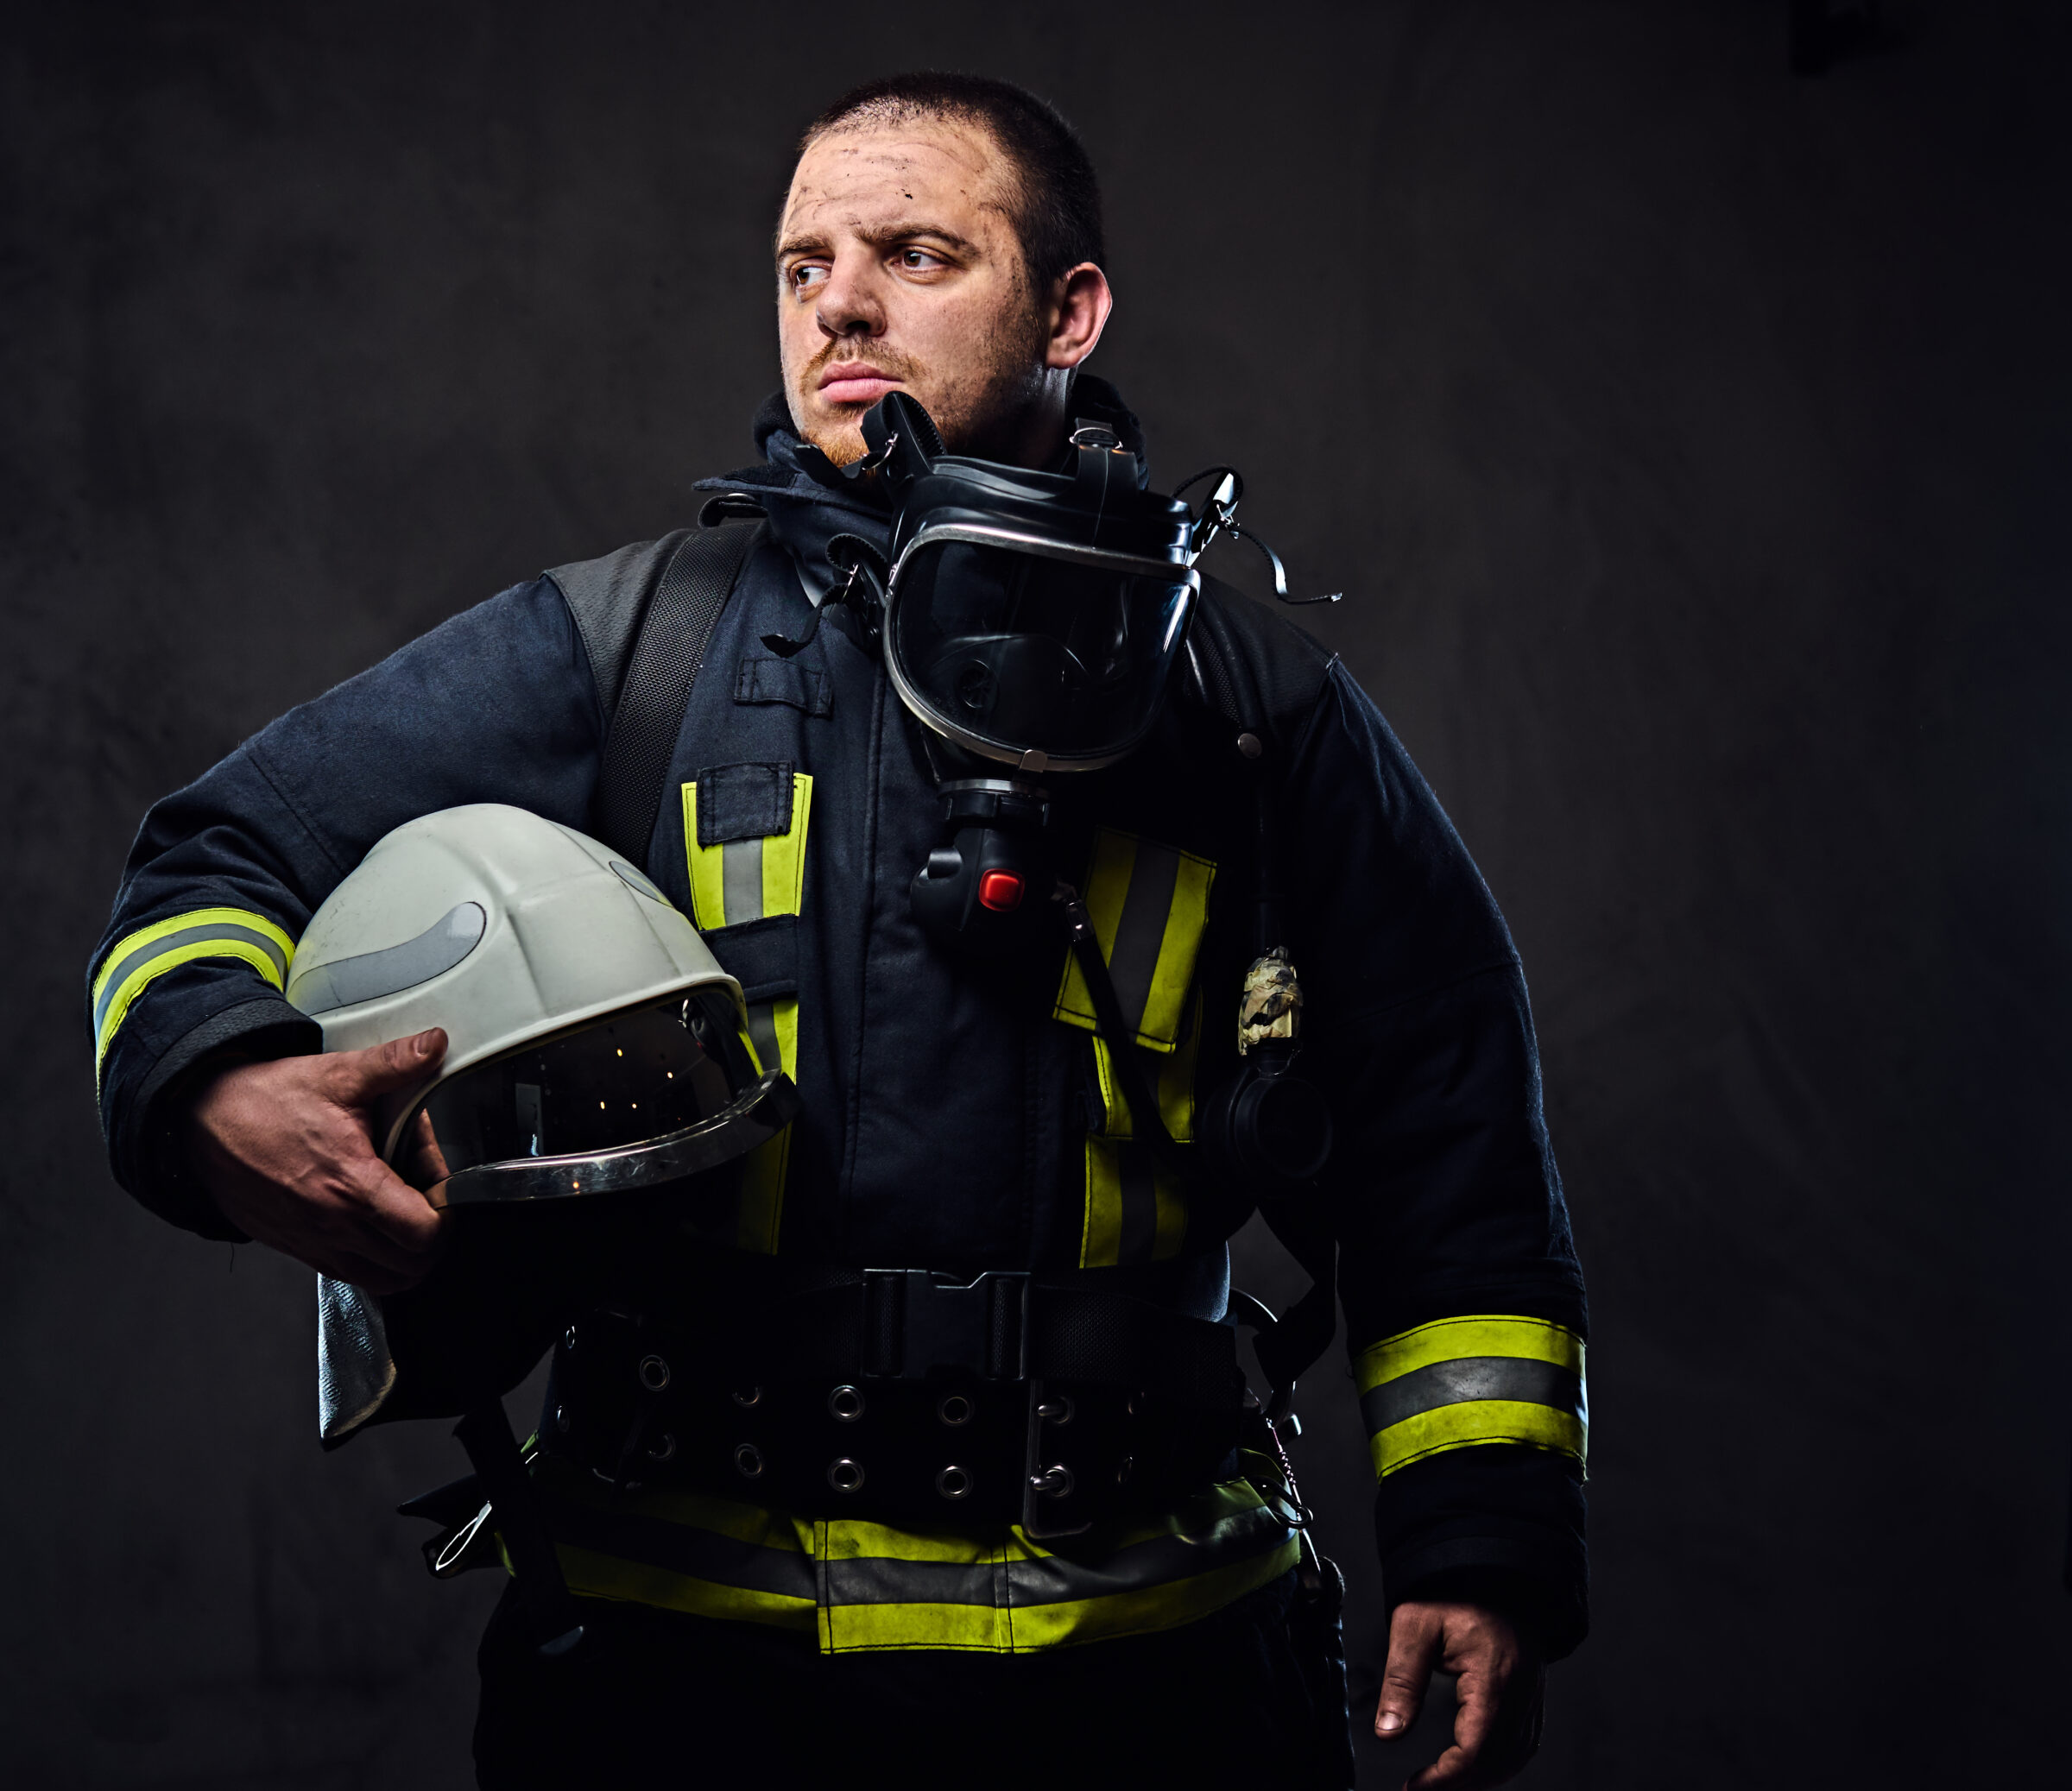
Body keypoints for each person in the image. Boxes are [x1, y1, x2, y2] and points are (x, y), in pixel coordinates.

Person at [87, 72, 1588, 1789]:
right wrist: (215, 1075)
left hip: (1160, 1670)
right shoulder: (620, 648)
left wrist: (1479, 1545)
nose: (841, 304)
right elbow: (214, 851)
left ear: (1068, 310)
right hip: (682, 1682)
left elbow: (1441, 1118)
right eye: (802, 266)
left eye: (916, 253)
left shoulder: (1253, 715)